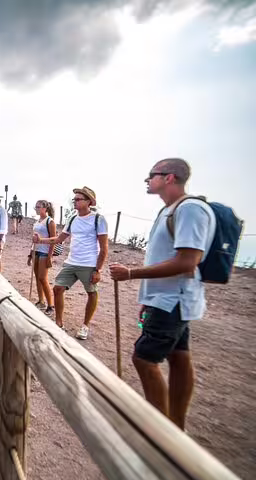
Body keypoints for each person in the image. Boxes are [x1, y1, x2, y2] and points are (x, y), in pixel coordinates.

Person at [109, 158, 215, 430]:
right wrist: (148, 299)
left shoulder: (190, 209)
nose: (148, 180)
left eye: (152, 175)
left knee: (144, 358)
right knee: (179, 357)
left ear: (169, 178)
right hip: (167, 299)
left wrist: (131, 273)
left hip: (173, 300)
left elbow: (187, 261)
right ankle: (175, 424)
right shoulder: (171, 210)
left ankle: (160, 430)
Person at [33, 186, 108, 339]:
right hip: (72, 261)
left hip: (89, 263)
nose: (75, 201)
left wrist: (97, 270)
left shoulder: (98, 219)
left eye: (79, 199)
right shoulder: (73, 218)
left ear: (89, 202)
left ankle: (85, 326)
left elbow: (104, 247)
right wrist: (41, 240)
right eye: (74, 199)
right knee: (58, 288)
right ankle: (59, 323)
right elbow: (60, 239)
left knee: (92, 292)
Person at [28, 200, 56, 315]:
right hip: (36, 250)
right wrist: (30, 254)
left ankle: (51, 305)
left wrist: (50, 256)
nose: (37, 209)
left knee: (43, 278)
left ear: (45, 208)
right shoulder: (37, 221)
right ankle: (41, 301)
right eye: (36, 207)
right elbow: (34, 239)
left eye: (39, 207)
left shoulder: (50, 221)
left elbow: (54, 240)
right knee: (38, 278)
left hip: (44, 252)